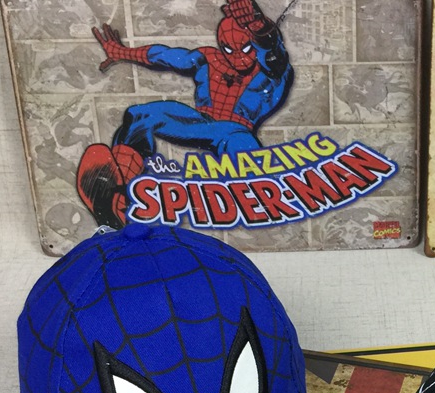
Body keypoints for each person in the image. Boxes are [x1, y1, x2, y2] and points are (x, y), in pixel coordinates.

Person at [77, 0, 293, 229]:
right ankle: (119, 191)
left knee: (244, 151)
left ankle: (261, 196)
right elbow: (164, 55)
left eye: (246, 48)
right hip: (200, 121)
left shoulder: (271, 72)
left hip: (236, 130)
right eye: (229, 49)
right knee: (141, 115)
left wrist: (259, 26)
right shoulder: (208, 59)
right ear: (222, 45)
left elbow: (274, 56)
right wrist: (122, 52)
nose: (238, 57)